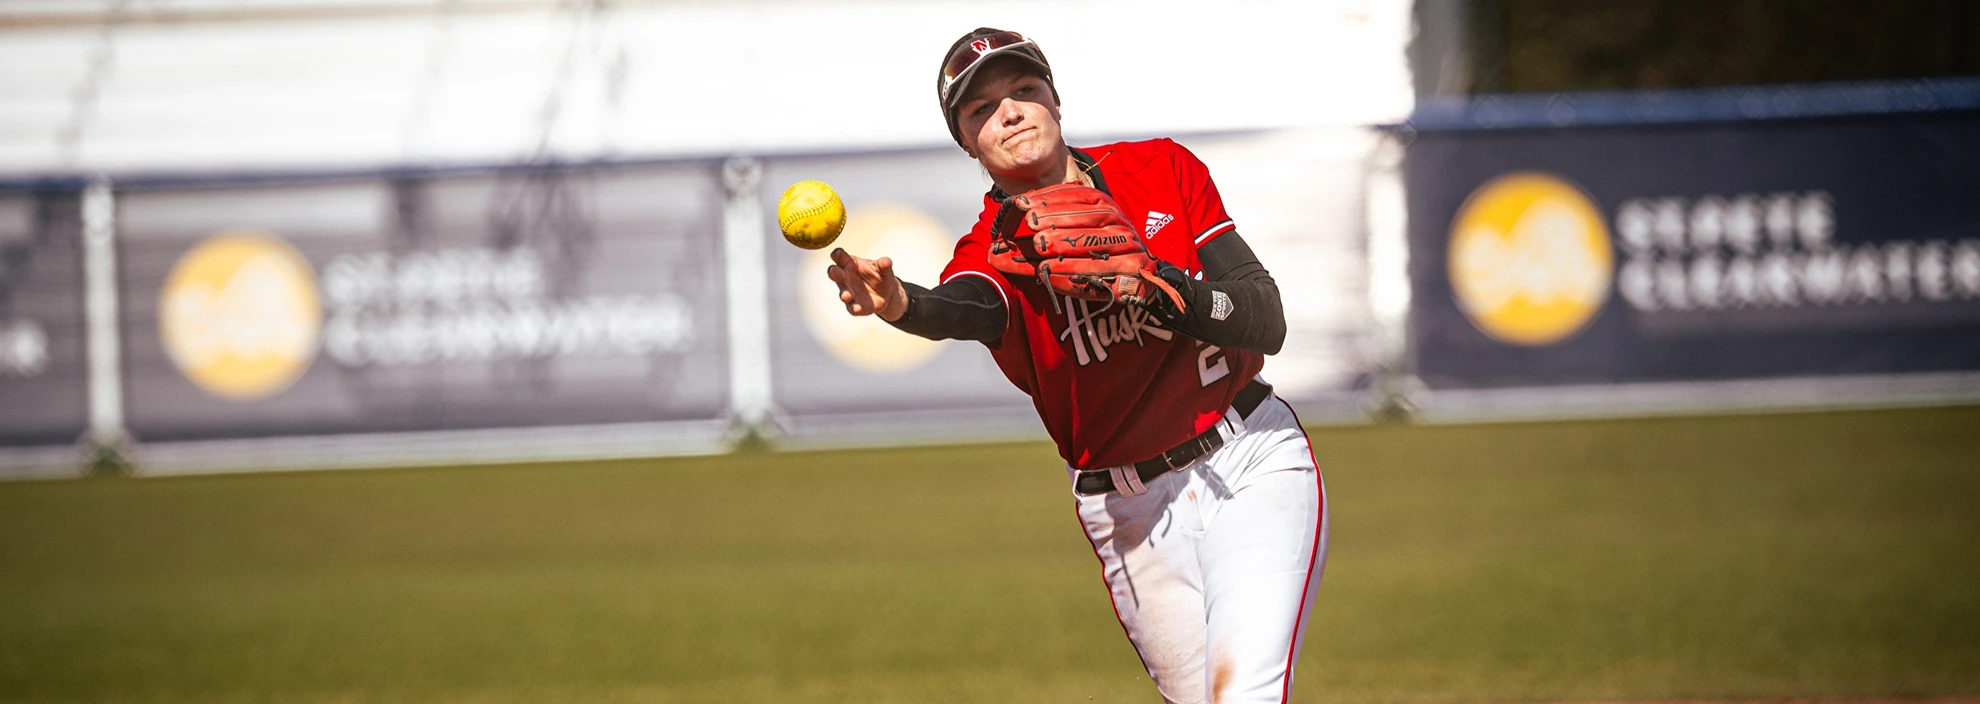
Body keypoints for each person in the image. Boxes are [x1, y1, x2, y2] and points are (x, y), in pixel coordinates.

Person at [825, 28, 1329, 704]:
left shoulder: (1160, 170)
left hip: (1250, 462)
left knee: (1244, 696)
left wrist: (1160, 286)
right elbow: (964, 306)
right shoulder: (992, 251)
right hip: (1130, 513)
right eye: (981, 110)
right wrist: (900, 302)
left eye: (1025, 91)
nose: (1009, 112)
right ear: (967, 143)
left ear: (1055, 103)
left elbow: (1265, 317)